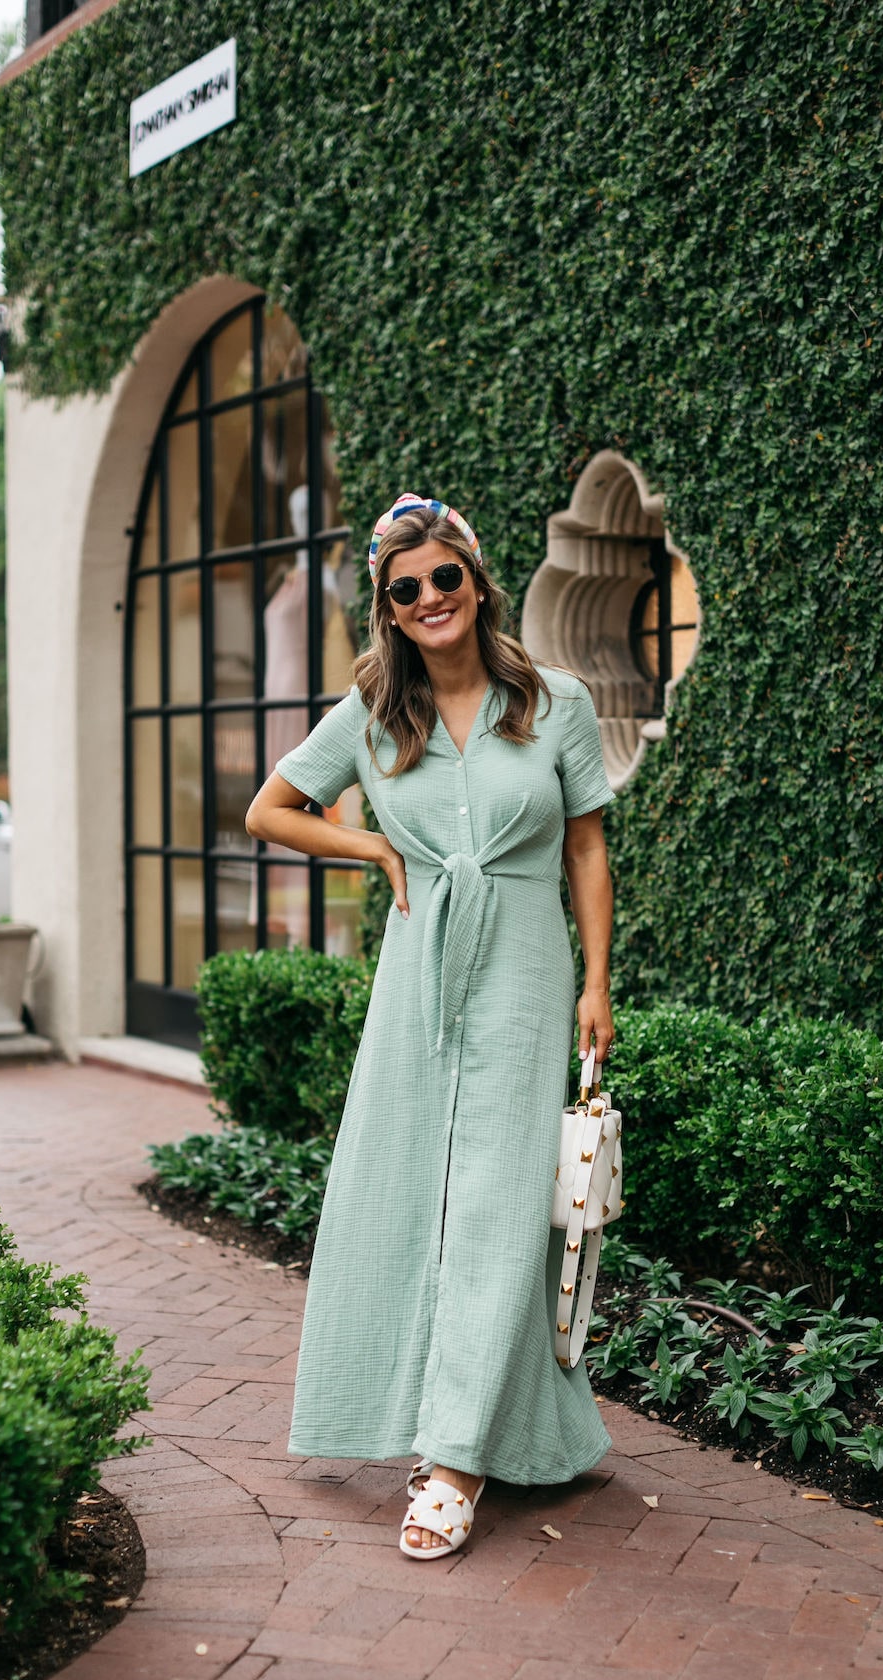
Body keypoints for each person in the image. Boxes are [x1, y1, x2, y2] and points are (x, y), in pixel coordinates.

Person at [245, 492, 616, 1560]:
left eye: (443, 577)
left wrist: (598, 982)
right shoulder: (369, 717)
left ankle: (453, 1457)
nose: (428, 598)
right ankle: (453, 1418)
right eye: (404, 590)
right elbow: (271, 810)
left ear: (476, 581)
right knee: (403, 1189)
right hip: (416, 980)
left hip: (525, 975)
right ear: (389, 611)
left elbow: (587, 849)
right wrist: (374, 850)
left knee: (502, 1207)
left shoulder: (557, 703)